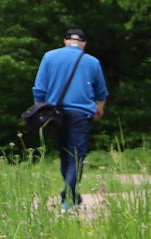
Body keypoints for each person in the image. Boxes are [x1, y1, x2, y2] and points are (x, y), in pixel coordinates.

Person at [31, 27, 108, 211]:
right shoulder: (92, 62)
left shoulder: (49, 57)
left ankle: (70, 196)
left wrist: (41, 112)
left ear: (65, 41)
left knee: (65, 156)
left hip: (55, 115)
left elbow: (39, 89)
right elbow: (102, 93)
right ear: (84, 44)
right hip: (80, 115)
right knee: (76, 157)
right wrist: (100, 109)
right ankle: (69, 197)